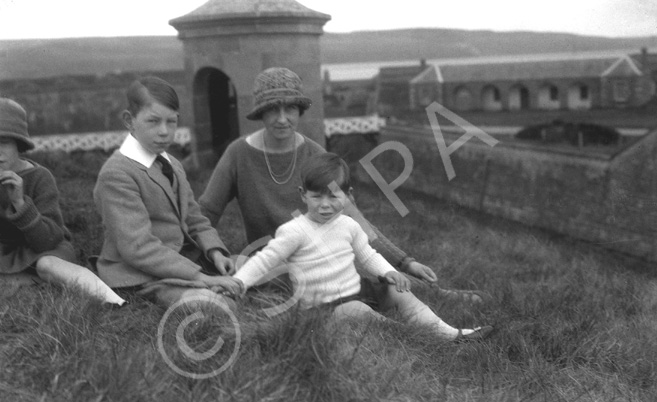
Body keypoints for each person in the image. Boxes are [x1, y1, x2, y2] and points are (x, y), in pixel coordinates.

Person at [199, 67, 483, 315]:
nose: (282, 118)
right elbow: (205, 214)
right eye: (273, 109)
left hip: (325, 254)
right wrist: (213, 251)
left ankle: (433, 293)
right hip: (274, 265)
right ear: (260, 112)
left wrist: (405, 261)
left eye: (291, 109)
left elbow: (355, 219)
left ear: (300, 110)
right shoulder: (238, 154)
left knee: (369, 270)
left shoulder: (315, 153)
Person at [232, 153, 492, 341]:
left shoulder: (348, 225)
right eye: (316, 197)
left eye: (333, 196)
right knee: (357, 312)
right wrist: (239, 282)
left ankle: (450, 333)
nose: (325, 205)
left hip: (355, 288)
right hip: (320, 307)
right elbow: (265, 260)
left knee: (398, 292)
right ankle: (413, 335)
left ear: (347, 196)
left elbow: (368, 255)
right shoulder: (293, 231)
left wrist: (389, 271)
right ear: (302, 195)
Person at [93, 77, 241, 307]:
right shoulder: (117, 174)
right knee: (219, 304)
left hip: (185, 260)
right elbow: (138, 248)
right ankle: (204, 293)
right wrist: (200, 277)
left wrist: (215, 252)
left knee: (263, 267)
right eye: (153, 121)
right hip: (144, 275)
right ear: (129, 121)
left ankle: (217, 282)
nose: (164, 132)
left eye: (171, 122)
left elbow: (195, 219)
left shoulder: (171, 163)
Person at [0, 98, 126, 306]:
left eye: (3, 142)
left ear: (19, 144)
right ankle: (41, 285)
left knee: (48, 266)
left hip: (44, 249)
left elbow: (46, 240)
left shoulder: (40, 177)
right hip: (6, 255)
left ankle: (112, 300)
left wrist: (20, 202)